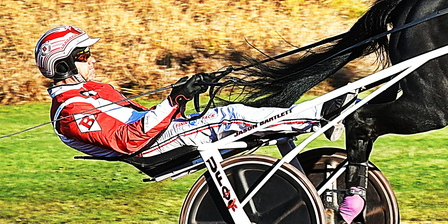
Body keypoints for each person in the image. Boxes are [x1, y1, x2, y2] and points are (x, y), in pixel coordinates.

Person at [35, 25, 321, 161]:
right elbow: (127, 140)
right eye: (84, 55)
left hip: (161, 134)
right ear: (63, 65)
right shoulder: (71, 112)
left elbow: (145, 118)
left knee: (237, 110)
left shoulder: (95, 90)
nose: (93, 59)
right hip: (151, 148)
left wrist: (183, 95)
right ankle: (322, 115)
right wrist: (175, 99)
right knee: (232, 116)